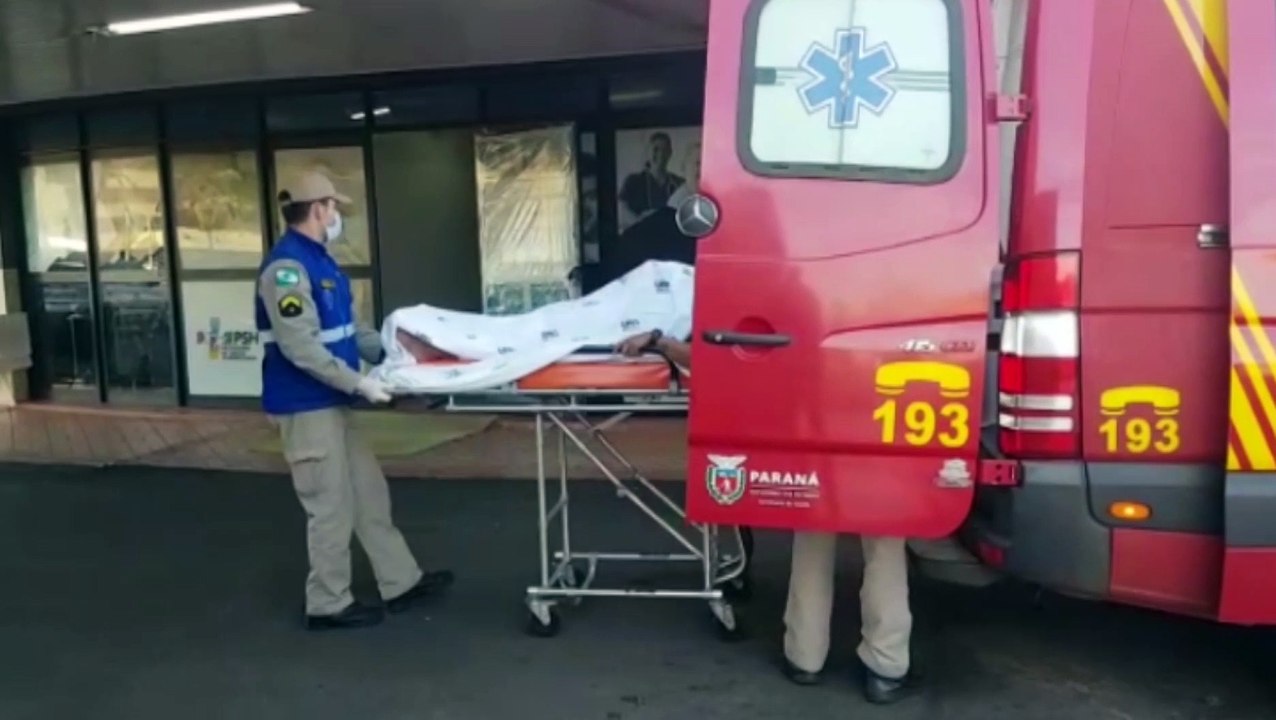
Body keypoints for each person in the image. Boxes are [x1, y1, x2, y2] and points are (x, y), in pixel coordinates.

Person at [617, 328, 916, 706]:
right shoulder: (898, 300)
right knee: (885, 544)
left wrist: (661, 343)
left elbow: (728, 359)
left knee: (812, 535)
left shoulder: (800, 298)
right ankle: (886, 668)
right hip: (883, 419)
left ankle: (805, 657)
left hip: (814, 422)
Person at [255, 171, 453, 631]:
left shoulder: (323, 265)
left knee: (368, 493)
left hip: (334, 400)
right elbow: (300, 346)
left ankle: (400, 581)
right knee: (330, 506)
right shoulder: (286, 271)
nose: (338, 216)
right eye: (334, 207)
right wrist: (361, 385)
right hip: (306, 406)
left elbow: (353, 332)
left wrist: (402, 360)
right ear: (318, 209)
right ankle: (327, 602)